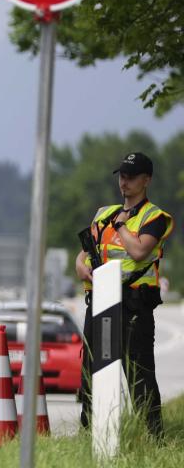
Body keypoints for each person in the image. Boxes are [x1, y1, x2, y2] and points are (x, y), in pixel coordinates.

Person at [75, 152, 174, 439]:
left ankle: (153, 438)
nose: (124, 181)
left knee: (139, 375)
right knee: (92, 374)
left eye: (131, 176)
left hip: (134, 306)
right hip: (100, 304)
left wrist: (121, 224)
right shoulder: (103, 214)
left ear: (147, 180)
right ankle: (91, 435)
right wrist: (82, 269)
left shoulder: (154, 217)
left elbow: (139, 251)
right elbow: (80, 259)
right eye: (122, 175)